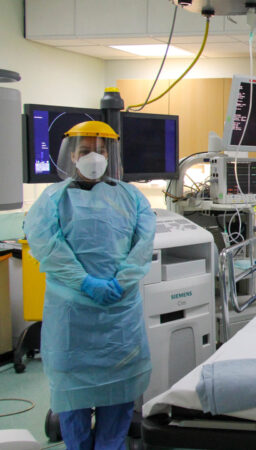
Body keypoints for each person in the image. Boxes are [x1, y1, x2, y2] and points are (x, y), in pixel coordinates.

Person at [24, 121, 156, 450]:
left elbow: (142, 248)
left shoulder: (132, 198)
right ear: (71, 156)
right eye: (85, 151)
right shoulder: (52, 200)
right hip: (72, 320)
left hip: (118, 320)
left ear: (111, 155)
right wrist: (85, 282)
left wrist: (120, 281)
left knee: (119, 396)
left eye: (100, 151)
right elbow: (48, 248)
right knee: (73, 401)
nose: (93, 157)